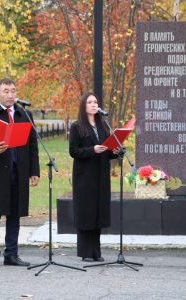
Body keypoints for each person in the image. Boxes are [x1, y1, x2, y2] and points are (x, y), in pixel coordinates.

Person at [0, 78, 40, 268]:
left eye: (13, 91)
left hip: (18, 173)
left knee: (15, 214)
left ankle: (11, 254)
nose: (10, 95)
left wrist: (34, 171)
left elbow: (32, 146)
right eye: (5, 91)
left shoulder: (24, 114)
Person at [69, 92, 119, 262]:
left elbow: (107, 152)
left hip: (101, 176)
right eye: (89, 102)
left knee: (97, 214)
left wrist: (114, 152)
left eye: (95, 102)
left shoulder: (103, 125)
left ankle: (96, 252)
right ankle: (85, 252)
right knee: (86, 214)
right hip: (85, 178)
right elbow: (73, 151)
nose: (93, 105)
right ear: (83, 106)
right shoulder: (76, 126)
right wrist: (92, 150)